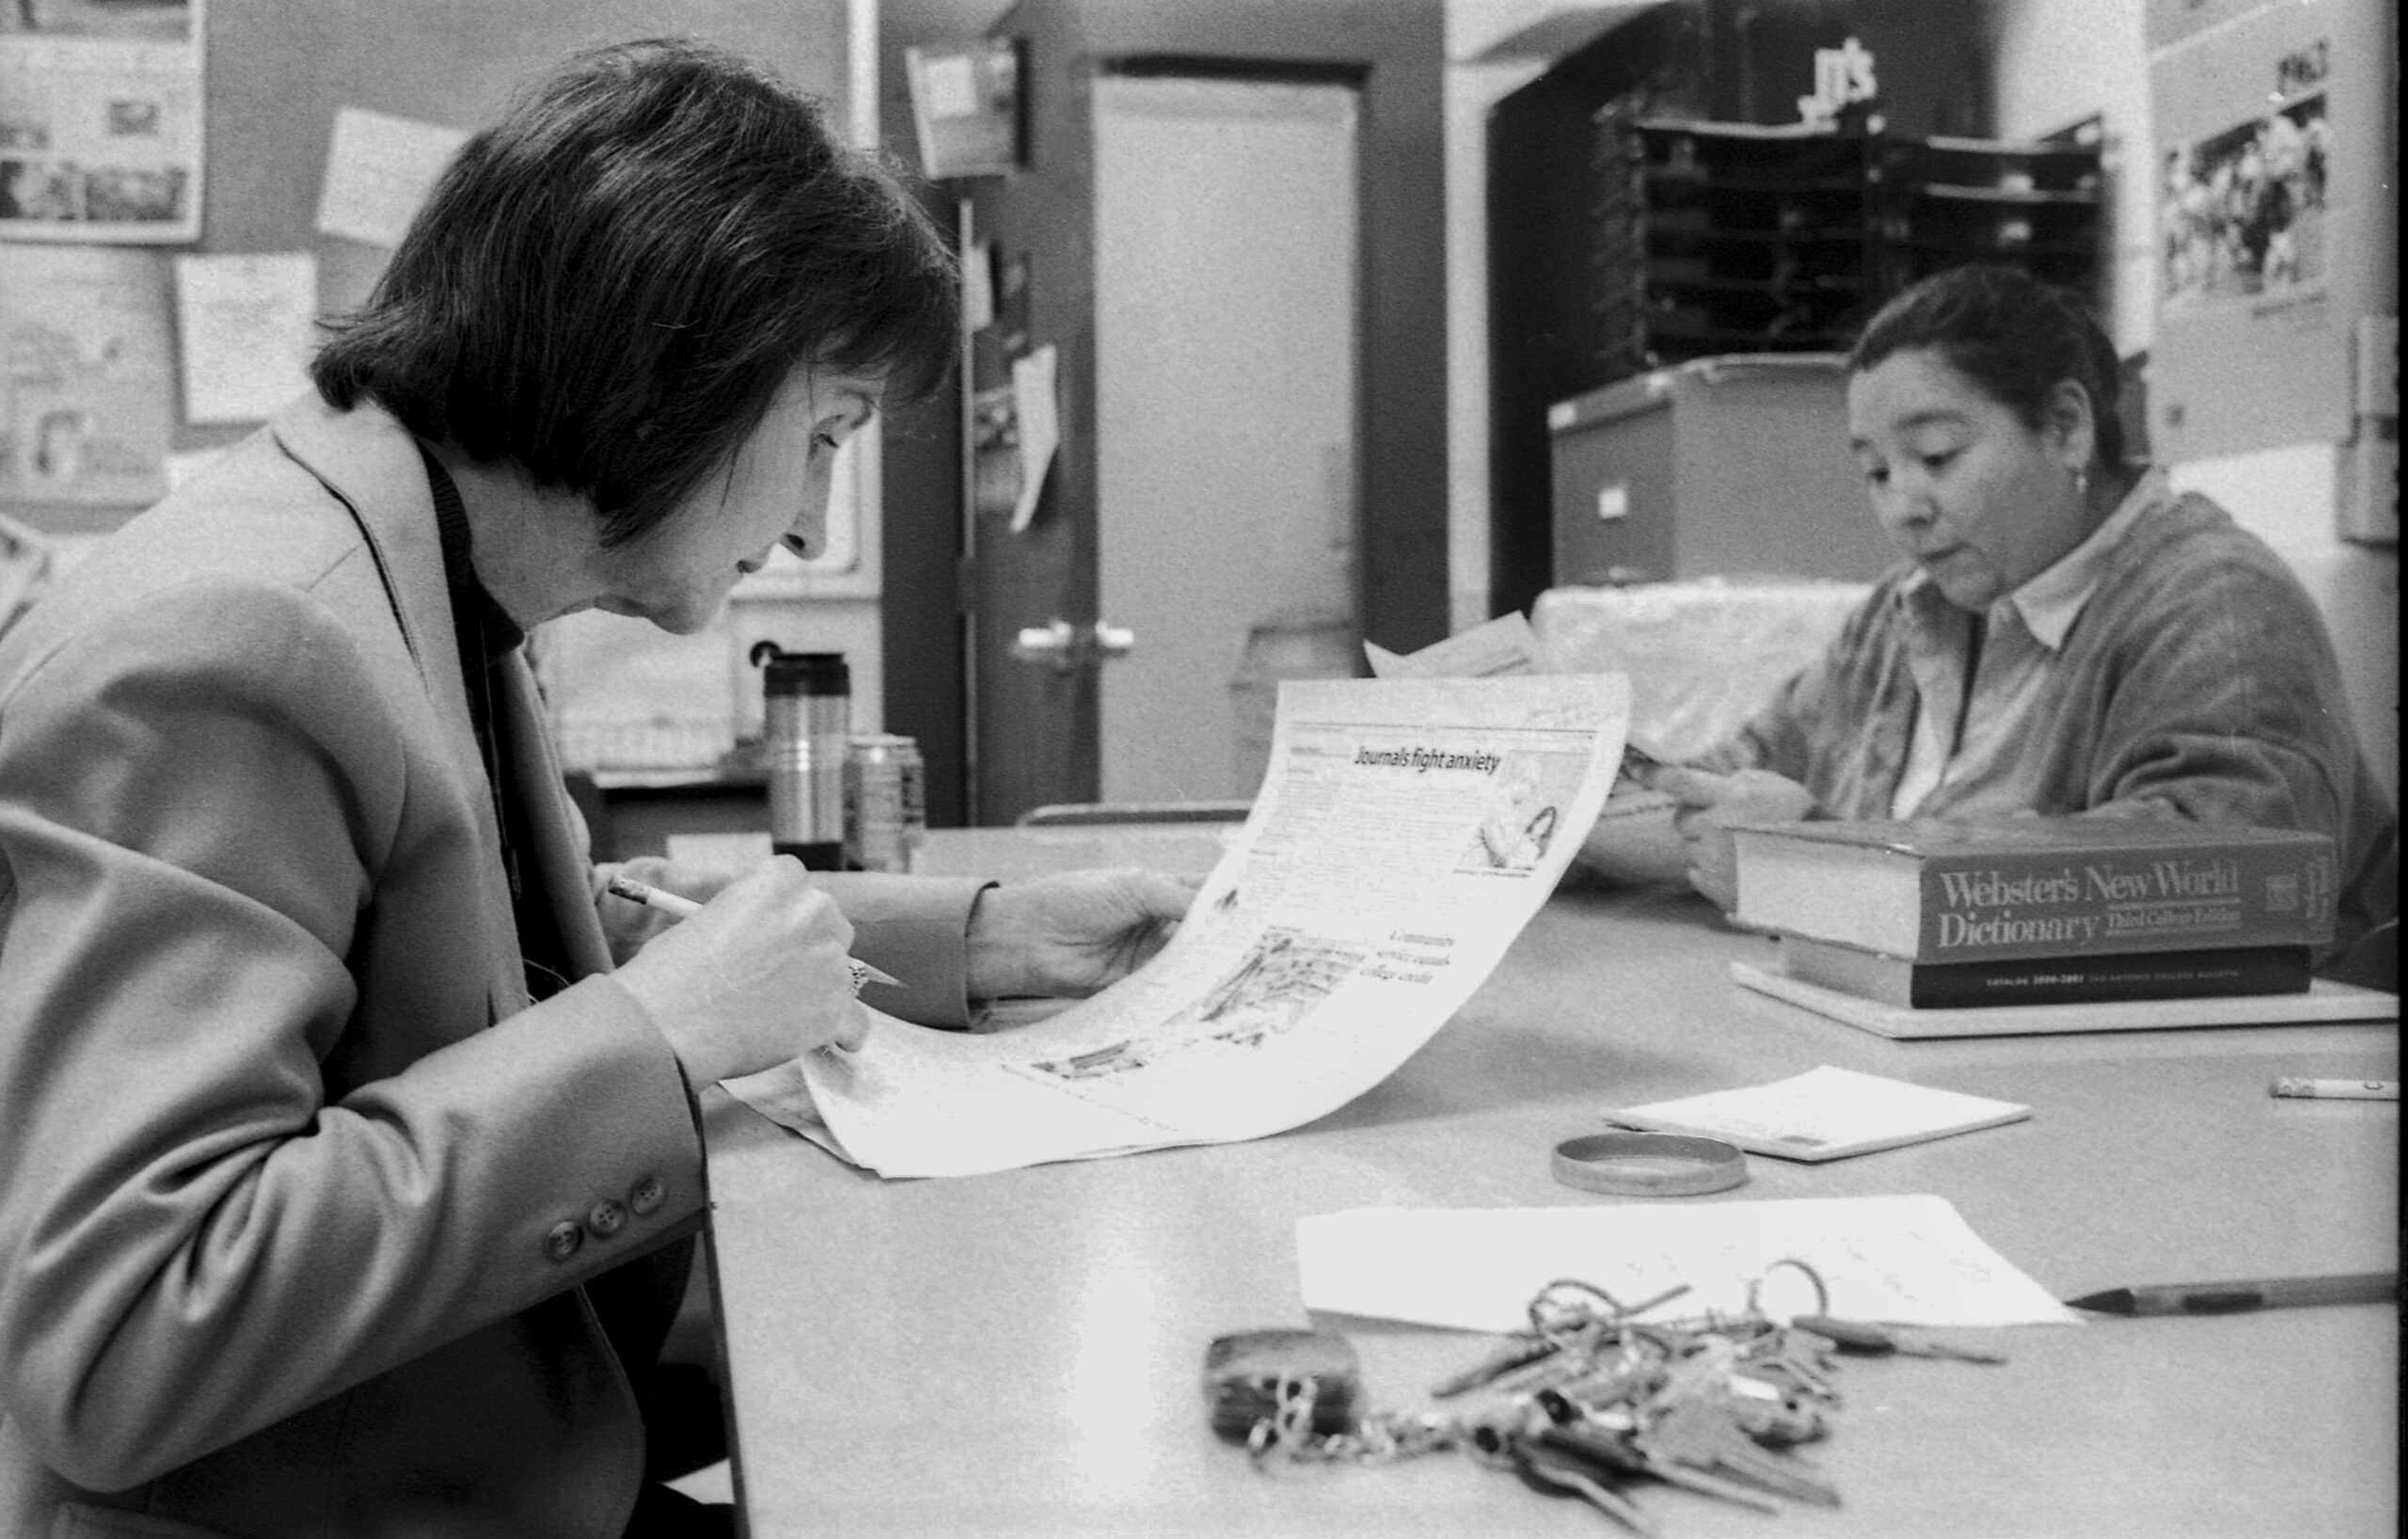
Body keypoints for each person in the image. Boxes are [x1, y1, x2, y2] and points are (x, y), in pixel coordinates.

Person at [0, 39, 1194, 1539]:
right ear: (672, 373)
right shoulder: (236, 645)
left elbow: (503, 959)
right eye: (825, 435)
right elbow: (126, 1335)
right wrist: (662, 1039)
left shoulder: (415, 559)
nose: (811, 520)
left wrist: (985, 937)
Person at [1654, 262, 2396, 983]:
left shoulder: (2218, 605)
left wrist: (1812, 868)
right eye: (1876, 471)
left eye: (1937, 456)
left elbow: (2215, 881)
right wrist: (1609, 783)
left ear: (2066, 427)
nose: (1903, 507)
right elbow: (1741, 769)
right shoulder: (1903, 611)